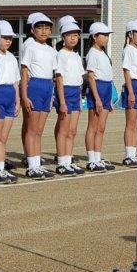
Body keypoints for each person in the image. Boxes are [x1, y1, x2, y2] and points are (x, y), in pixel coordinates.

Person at [19, 13, 56, 180]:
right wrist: (24, 95)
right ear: (33, 30)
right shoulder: (30, 46)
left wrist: (52, 94)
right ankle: (32, 165)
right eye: (40, 28)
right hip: (34, 86)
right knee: (32, 129)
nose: (44, 31)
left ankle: (36, 163)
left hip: (47, 86)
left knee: (39, 130)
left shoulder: (51, 49)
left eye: (47, 28)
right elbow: (24, 71)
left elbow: (53, 74)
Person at [0, 21, 19, 184]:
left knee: (3, 137)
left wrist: (17, 100)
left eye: (10, 38)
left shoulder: (12, 58)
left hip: (9, 95)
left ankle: (1, 167)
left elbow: (16, 82)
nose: (8, 41)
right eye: (5, 38)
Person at [53, 21, 85, 176]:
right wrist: (62, 102)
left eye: (76, 35)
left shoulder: (77, 56)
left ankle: (68, 160)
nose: (73, 38)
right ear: (63, 37)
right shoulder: (60, 55)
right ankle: (61, 162)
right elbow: (59, 78)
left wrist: (79, 98)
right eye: (70, 35)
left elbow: (79, 79)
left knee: (72, 131)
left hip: (75, 93)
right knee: (64, 130)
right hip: (64, 92)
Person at [83, 23, 115, 172]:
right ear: (95, 37)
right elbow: (91, 77)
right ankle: (91, 159)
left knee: (101, 127)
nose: (107, 38)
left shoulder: (103, 54)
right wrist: (97, 98)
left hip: (106, 89)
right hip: (98, 89)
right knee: (93, 126)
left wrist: (108, 99)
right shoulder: (92, 54)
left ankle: (98, 156)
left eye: (108, 35)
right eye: (104, 35)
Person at [120, 20, 137, 166]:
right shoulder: (128, 50)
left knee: (136, 124)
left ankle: (134, 153)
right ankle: (129, 155)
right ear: (130, 34)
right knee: (131, 123)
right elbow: (127, 72)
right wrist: (130, 92)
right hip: (134, 84)